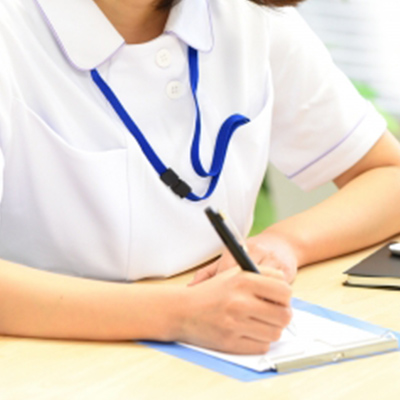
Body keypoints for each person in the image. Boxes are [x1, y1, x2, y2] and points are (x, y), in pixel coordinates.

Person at [0, 0, 400, 355]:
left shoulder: (243, 13)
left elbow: (387, 175)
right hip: (49, 360)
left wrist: (284, 243)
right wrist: (180, 314)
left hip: (213, 358)